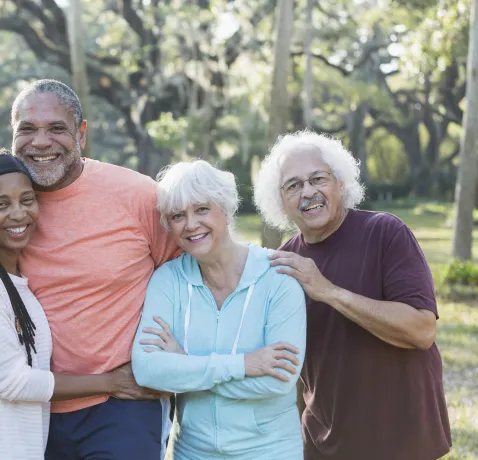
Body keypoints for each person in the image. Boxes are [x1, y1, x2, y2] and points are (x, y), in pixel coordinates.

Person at [0, 79, 180, 459]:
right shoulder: (6, 202)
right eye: (27, 129)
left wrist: (180, 353)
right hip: (32, 414)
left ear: (81, 133)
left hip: (123, 401)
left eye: (56, 128)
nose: (40, 142)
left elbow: (191, 270)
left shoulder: (137, 196)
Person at [253, 130, 452, 460]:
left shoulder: (386, 233)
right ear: (282, 203)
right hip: (325, 444)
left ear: (341, 183)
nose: (309, 192)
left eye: (318, 178)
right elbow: (291, 367)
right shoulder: (283, 264)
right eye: (294, 185)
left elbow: (421, 331)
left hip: (405, 441)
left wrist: (328, 291)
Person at [132, 160, 306, 460]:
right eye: (178, 215)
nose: (190, 224)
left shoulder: (277, 276)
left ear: (225, 209)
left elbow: (279, 378)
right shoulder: (167, 280)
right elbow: (148, 370)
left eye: (202, 209)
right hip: (193, 452)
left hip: (271, 451)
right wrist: (242, 364)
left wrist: (186, 365)